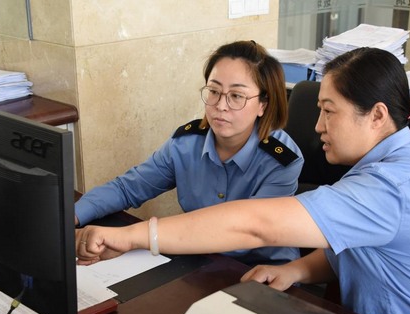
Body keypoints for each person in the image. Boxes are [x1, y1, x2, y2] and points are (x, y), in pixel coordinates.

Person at [75, 47, 410, 314]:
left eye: (329, 112)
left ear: (377, 115)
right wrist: (294, 269)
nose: (317, 126)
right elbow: (358, 250)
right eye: (214, 92)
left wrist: (133, 235)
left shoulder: (395, 184)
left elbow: (257, 226)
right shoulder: (388, 162)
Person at [75, 40, 303, 266]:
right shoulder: (186, 143)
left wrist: (134, 237)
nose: (221, 106)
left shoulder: (281, 161)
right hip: (202, 264)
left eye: (236, 96)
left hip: (264, 274)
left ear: (263, 104)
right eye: (214, 91)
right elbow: (128, 188)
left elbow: (244, 232)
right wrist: (70, 217)